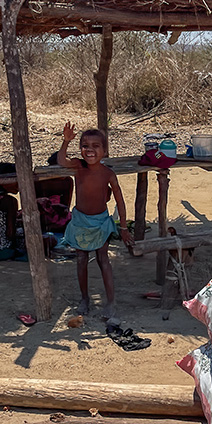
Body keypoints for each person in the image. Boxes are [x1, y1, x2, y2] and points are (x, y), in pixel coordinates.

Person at [58, 122, 132, 323]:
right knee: (81, 260)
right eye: (85, 145)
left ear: (104, 150)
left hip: (100, 222)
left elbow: (120, 200)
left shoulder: (108, 173)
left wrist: (123, 227)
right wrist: (66, 141)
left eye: (95, 146)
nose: (89, 150)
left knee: (103, 260)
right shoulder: (78, 167)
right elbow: (61, 160)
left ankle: (111, 301)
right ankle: (84, 299)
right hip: (81, 221)